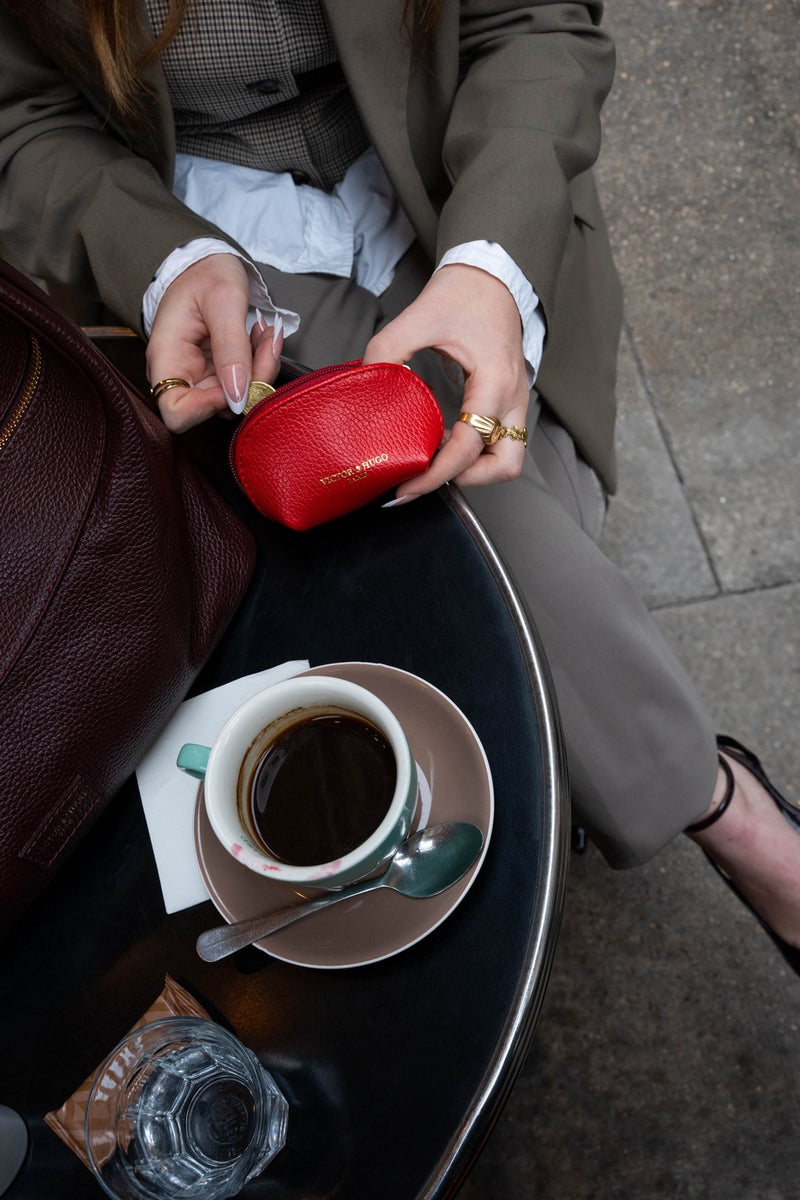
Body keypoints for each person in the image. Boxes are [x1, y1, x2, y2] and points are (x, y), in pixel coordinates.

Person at [1, 0, 798, 970]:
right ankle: (722, 807)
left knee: (484, 543)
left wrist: (494, 264)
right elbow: (20, 117)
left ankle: (654, 783)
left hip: (450, 173)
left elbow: (534, 20)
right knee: (486, 519)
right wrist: (164, 258)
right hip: (214, 232)